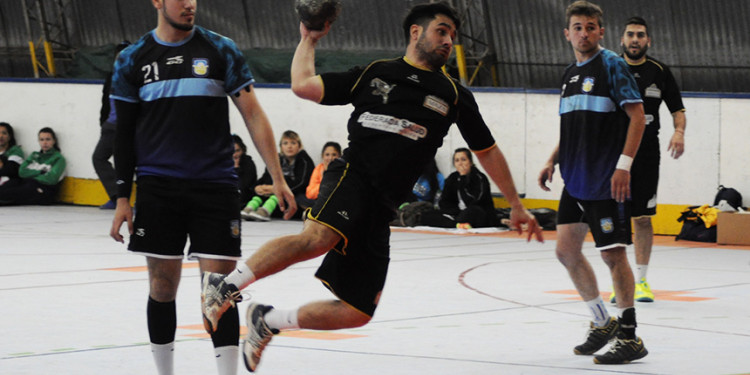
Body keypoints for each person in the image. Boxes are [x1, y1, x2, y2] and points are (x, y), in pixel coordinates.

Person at [200, 2, 543, 372]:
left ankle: (268, 320)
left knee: (357, 311)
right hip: (352, 176)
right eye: (441, 31)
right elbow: (303, 86)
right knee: (318, 238)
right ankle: (225, 285)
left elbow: (487, 151)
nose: (448, 41)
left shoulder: (454, 94)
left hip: (383, 206)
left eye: (452, 36)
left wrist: (516, 205)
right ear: (416, 32)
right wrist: (308, 39)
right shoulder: (378, 73)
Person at [107, 1, 295, 374]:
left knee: (220, 292)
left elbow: (253, 114)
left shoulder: (221, 49)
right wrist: (121, 198)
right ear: (157, 2)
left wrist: (277, 176)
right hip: (159, 187)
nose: (189, 3)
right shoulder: (132, 59)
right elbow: (123, 134)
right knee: (162, 288)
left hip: (215, 186)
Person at [538, 1, 648, 365]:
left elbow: (638, 118)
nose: (583, 33)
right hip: (575, 178)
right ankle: (602, 322)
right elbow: (574, 124)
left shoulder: (612, 65)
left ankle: (630, 336)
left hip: (605, 180)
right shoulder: (570, 73)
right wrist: (553, 159)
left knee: (612, 254)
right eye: (577, 27)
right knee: (566, 251)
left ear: (601, 31)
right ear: (566, 33)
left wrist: (624, 166)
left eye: (590, 27)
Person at [608, 16, 687, 304]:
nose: (635, 40)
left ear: (648, 41)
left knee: (642, 217)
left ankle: (640, 281)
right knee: (616, 219)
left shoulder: (660, 72)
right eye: (630, 34)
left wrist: (679, 132)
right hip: (614, 155)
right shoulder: (609, 67)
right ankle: (620, 281)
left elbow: (678, 109)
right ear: (621, 39)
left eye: (640, 35)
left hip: (647, 154)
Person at [241, 130, 314, 221]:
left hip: (293, 194)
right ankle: (249, 208)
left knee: (279, 190)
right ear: (281, 147)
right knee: (259, 193)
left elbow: (302, 183)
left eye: (293, 143)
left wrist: (277, 189)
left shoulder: (304, 160)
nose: (289, 146)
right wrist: (257, 187)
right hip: (276, 190)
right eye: (285, 143)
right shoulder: (277, 159)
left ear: (299, 146)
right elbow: (266, 176)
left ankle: (265, 211)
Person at [419, 148, 500, 229]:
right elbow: (444, 202)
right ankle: (457, 225)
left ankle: (455, 223)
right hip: (458, 213)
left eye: (463, 160)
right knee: (426, 215)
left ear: (470, 162)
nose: (460, 163)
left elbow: (472, 201)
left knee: (472, 212)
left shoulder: (479, 178)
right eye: (457, 161)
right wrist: (453, 211)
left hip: (476, 212)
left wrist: (463, 178)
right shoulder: (452, 178)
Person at [92, 41, 131, 210]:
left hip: (129, 127)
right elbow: (105, 102)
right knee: (99, 158)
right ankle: (116, 196)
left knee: (132, 162)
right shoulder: (111, 76)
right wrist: (103, 122)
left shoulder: (135, 77)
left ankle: (140, 200)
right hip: (110, 126)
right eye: (118, 56)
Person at [0, 127, 66, 205]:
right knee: (12, 183)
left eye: (48, 139)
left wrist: (31, 175)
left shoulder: (58, 158)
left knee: (21, 190)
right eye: (42, 140)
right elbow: (22, 172)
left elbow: (52, 178)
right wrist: (40, 172)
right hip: (29, 182)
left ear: (54, 141)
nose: (44, 143)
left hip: (44, 189)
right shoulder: (34, 155)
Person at [299, 141, 342, 209]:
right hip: (319, 200)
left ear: (340, 156)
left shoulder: (342, 170)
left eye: (334, 155)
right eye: (327, 155)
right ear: (323, 156)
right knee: (300, 198)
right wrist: (324, 180)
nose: (330, 158)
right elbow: (310, 194)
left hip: (336, 202)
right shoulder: (319, 169)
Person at [233, 134, 258, 210]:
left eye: (237, 151)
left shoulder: (248, 163)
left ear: (243, 150)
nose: (234, 155)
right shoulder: (223, 163)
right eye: (231, 151)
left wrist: (236, 168)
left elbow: (243, 186)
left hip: (245, 197)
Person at [0, 122, 25, 187]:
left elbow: (10, 170)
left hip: (8, 185)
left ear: (9, 136)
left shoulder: (15, 150)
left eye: (4, 133)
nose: (1, 136)